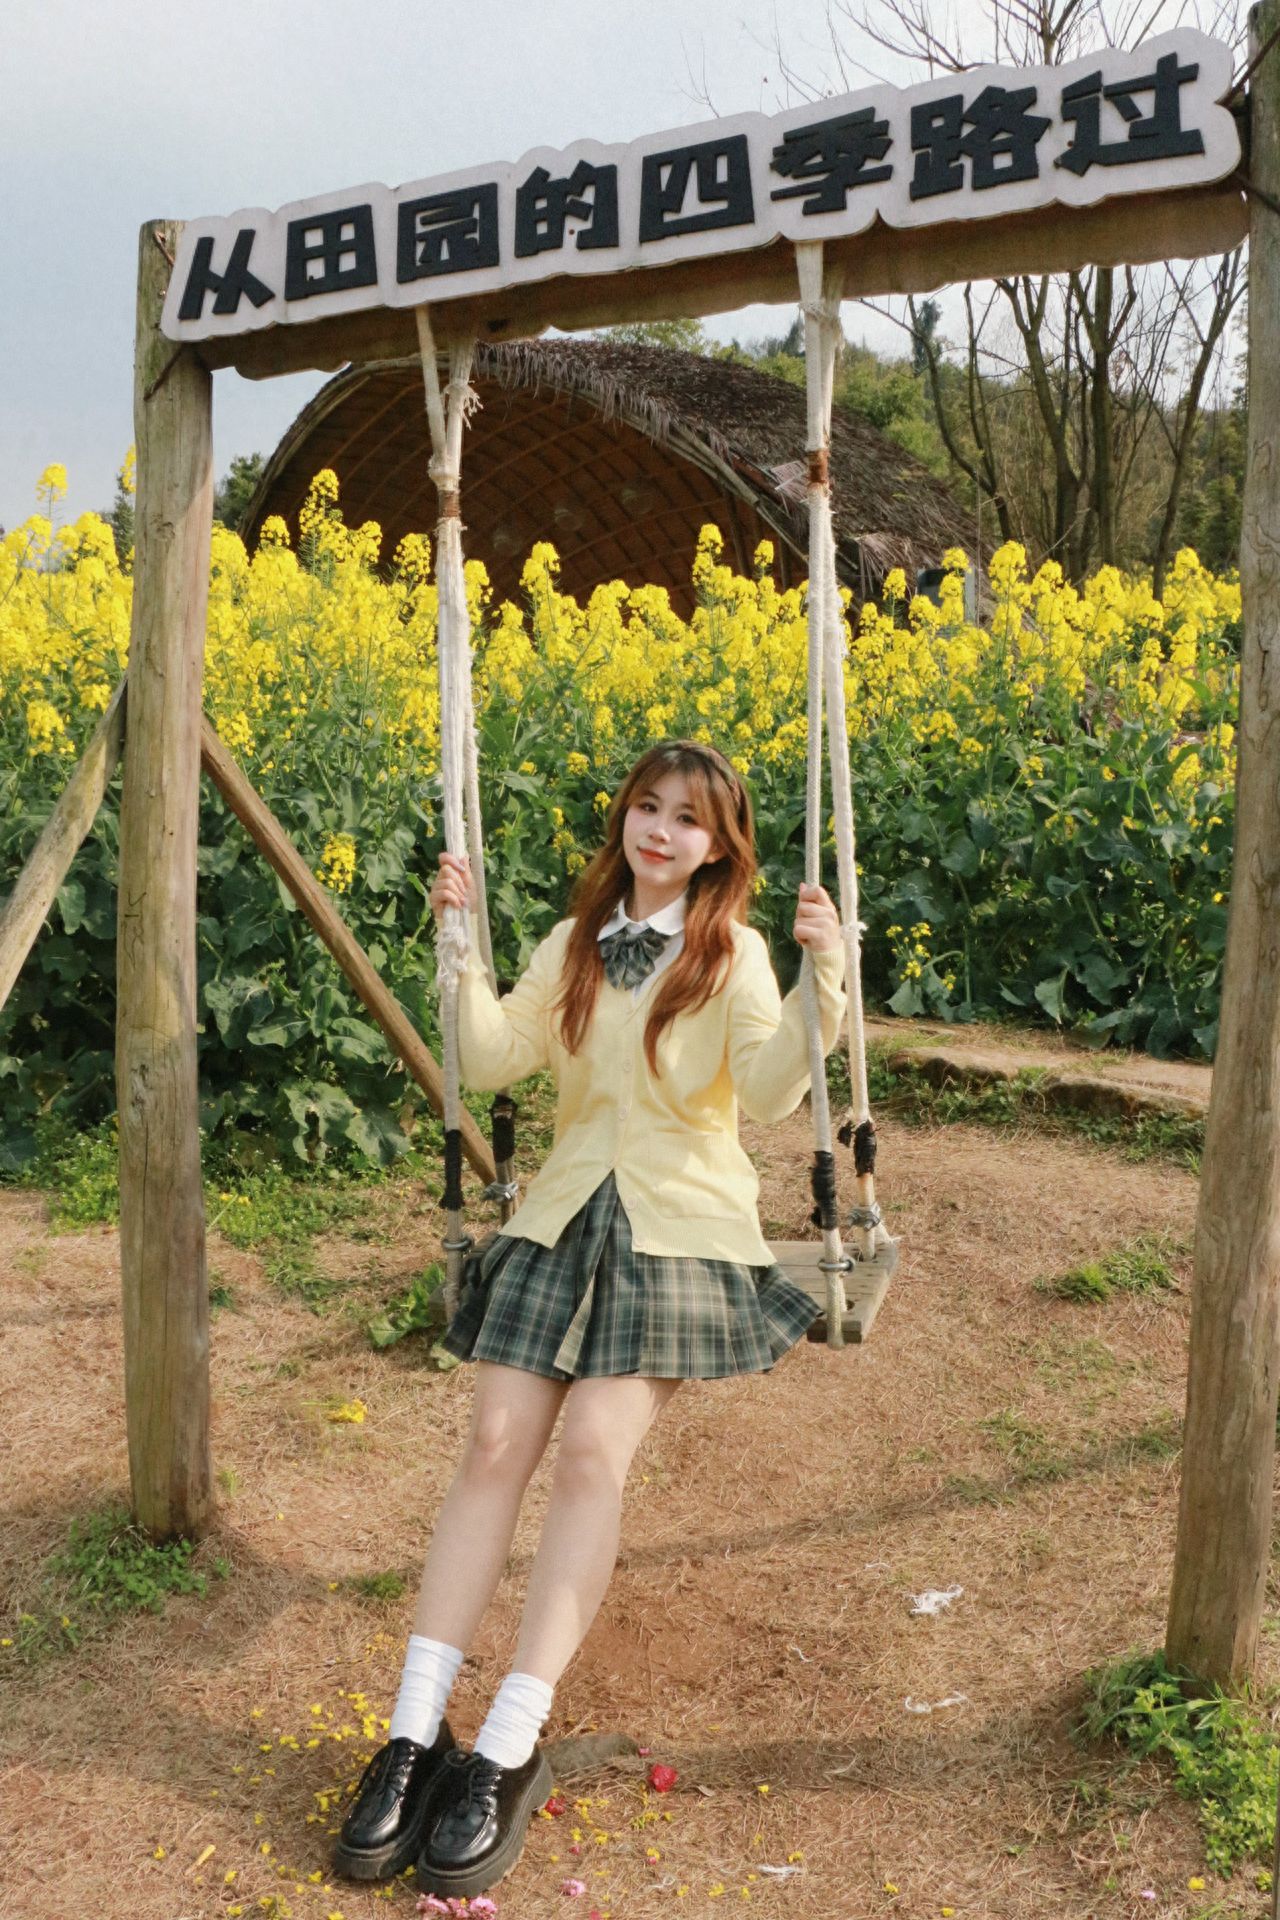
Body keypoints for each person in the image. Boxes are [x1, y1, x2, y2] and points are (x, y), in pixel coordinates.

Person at [333, 739, 846, 1900]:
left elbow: (772, 1092)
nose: (659, 831)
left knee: (587, 1455)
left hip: (677, 1227)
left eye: (687, 819)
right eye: (645, 808)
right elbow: (490, 1059)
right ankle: (413, 1732)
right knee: (493, 1443)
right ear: (623, 820)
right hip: (564, 1218)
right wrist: (456, 946)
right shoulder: (569, 944)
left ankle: (507, 1744)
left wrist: (824, 973)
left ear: (716, 848)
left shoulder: (734, 953)